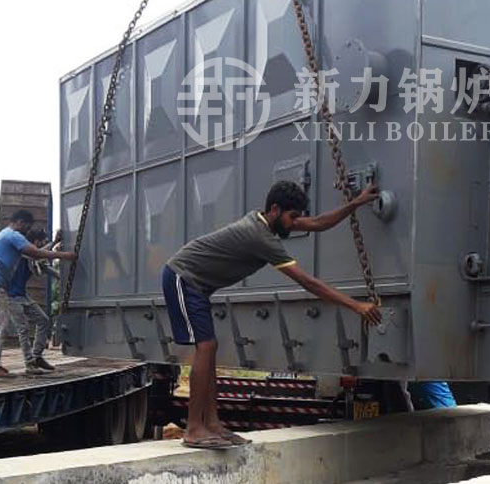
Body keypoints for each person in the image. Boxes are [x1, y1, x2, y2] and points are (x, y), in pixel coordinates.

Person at [164, 180, 383, 449]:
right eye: (292, 217)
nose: (295, 223)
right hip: (183, 277)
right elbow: (308, 282)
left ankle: (212, 424)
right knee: (206, 346)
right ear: (275, 209)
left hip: (197, 285)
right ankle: (194, 429)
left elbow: (318, 223)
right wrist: (356, 306)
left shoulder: (268, 223)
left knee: (210, 347)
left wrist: (356, 202)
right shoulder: (260, 237)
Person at [0, 210, 74, 377]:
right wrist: (63, 255)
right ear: (20, 222)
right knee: (1, 326)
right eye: (27, 227)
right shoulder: (13, 236)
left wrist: (55, 244)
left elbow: (35, 254)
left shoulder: (4, 235)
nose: (27, 231)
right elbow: (36, 253)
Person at [7, 229, 57, 375]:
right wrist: (54, 243)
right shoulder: (22, 251)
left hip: (23, 295)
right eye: (41, 242)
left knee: (43, 320)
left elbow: (44, 266)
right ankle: (29, 364)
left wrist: (61, 276)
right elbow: (38, 253)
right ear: (35, 241)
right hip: (11, 296)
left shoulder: (33, 258)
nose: (41, 245)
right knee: (23, 329)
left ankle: (37, 356)